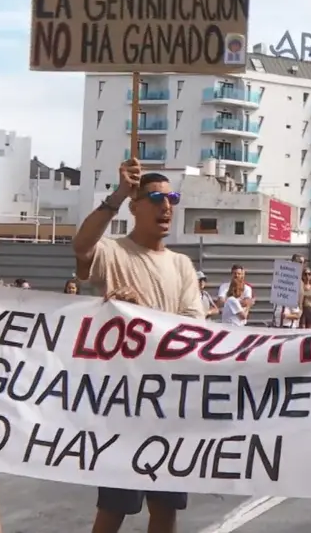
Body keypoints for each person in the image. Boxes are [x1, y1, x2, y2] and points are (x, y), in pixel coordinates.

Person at [72, 161, 203, 533]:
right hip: (124, 402)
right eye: (156, 198)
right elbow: (81, 246)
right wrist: (115, 195)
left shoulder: (181, 265)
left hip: (170, 403)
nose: (167, 207)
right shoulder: (113, 253)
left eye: (172, 198)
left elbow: (194, 327)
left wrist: (142, 317)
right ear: (135, 206)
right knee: (114, 508)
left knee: (165, 509)